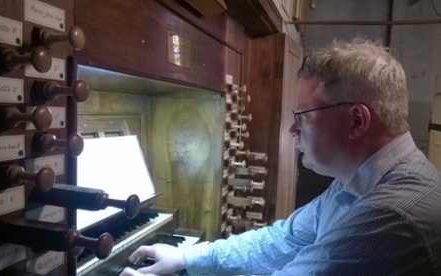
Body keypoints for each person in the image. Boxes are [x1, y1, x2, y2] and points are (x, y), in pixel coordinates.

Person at [121, 38, 441, 276]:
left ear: (357, 121)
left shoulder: (392, 215)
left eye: (303, 116)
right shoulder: (358, 181)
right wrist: (186, 259)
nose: (291, 130)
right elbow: (282, 241)